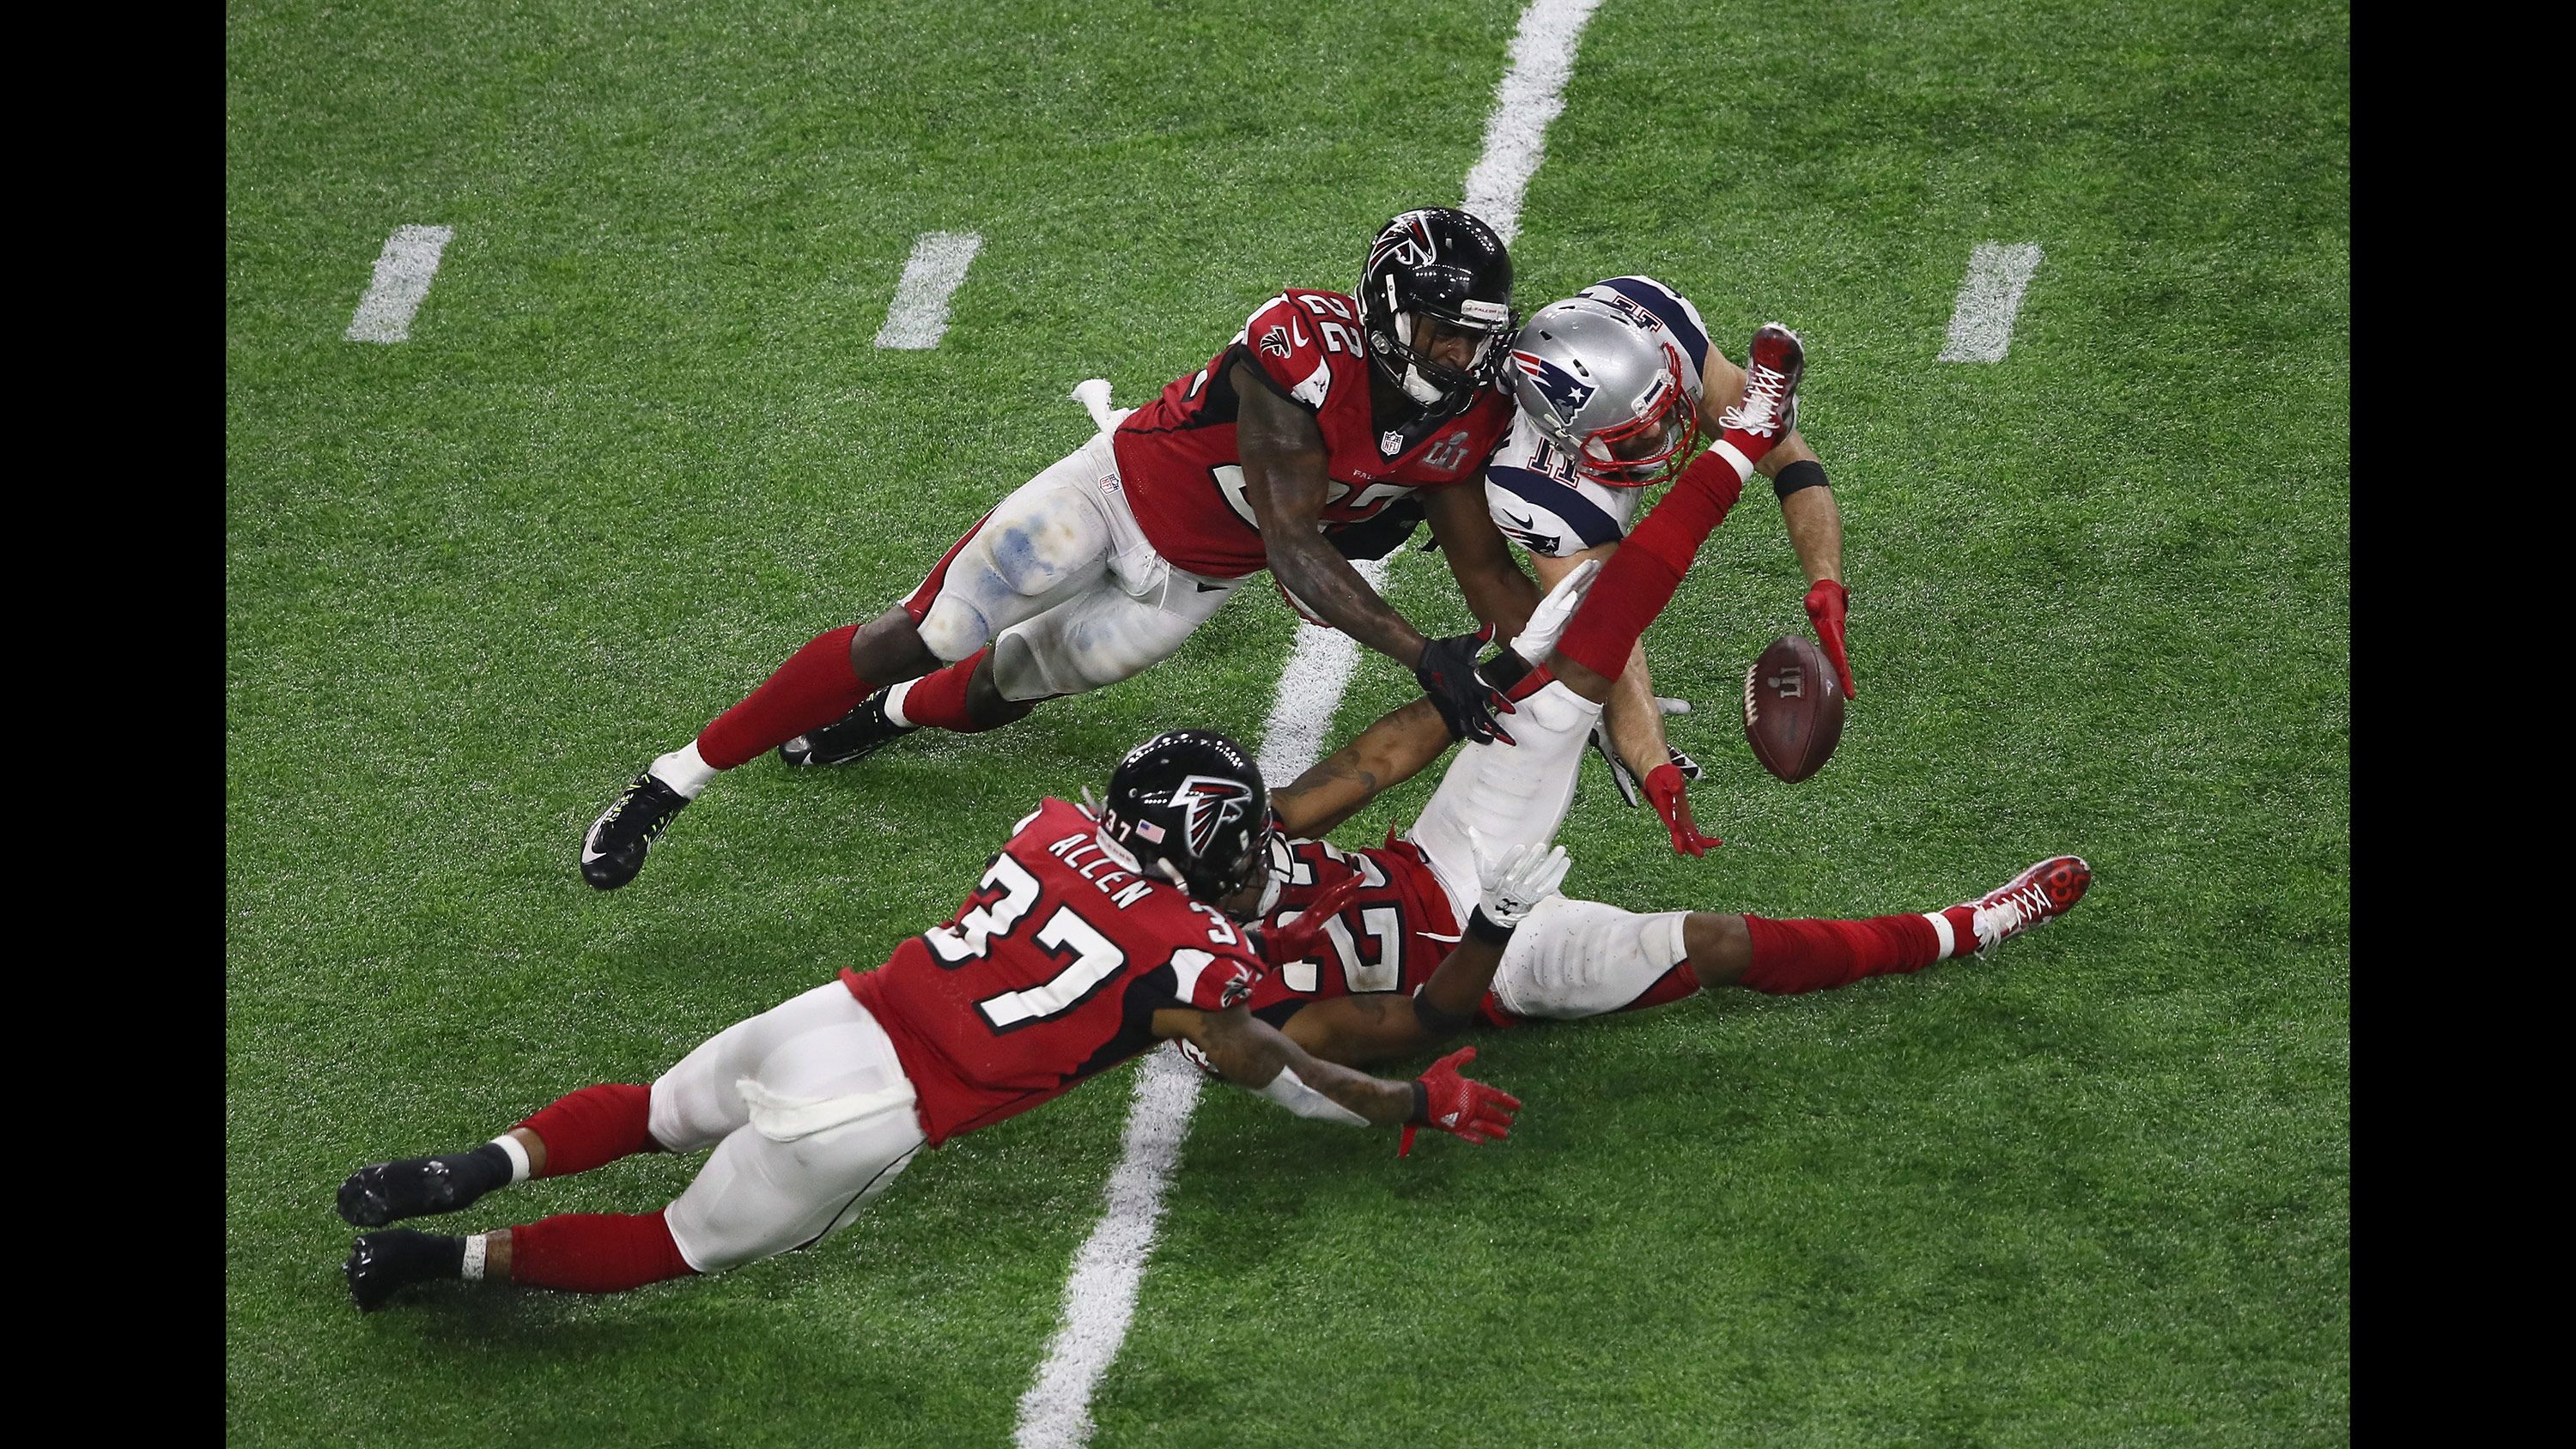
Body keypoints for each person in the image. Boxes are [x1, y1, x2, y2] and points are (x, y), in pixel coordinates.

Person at [343, 731, 1565, 1310]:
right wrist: (1412, 1094)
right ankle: (439, 1260)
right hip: (874, 1114)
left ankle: (480, 1161)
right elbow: (1278, 1063)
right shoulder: (1197, 954)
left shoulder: (1049, 828)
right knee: (679, 1244)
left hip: (835, 1014)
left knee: (657, 1111)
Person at [1179, 324, 2088, 1064]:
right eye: (1246, 849)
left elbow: (1374, 760)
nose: (1264, 840)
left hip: (1441, 853)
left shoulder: (1248, 831)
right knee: (1719, 943)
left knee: (1580, 644)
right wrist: (1492, 929)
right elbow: (1422, 1024)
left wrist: (1499, 675)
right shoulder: (1239, 1009)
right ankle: (1966, 925)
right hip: (1492, 965)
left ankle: (1742, 438)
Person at [581, 208, 1542, 891]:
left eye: (1476, 338)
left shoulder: (1463, 416)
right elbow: (1293, 543)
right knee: (930, 628)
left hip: (1199, 574)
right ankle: (672, 779)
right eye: (1446, 334)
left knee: (1007, 689)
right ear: (1385, 312)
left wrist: (1559, 660)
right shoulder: (1301, 346)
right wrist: (1422, 655)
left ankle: (893, 716)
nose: (1463, 358)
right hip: (1113, 492)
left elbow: (1484, 569)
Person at [1485, 276, 1855, 857]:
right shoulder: (1541, 493)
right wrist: (1653, 761)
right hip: (1461, 468)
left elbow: (1785, 453)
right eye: (1633, 435)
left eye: (1659, 409)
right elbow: (1610, 640)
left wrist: (1825, 579)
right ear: (1569, 441)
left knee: (1753, 427)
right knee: (1537, 643)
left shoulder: (1655, 326)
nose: (1662, 433)